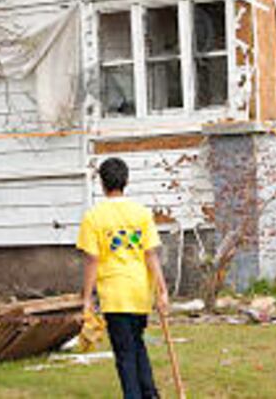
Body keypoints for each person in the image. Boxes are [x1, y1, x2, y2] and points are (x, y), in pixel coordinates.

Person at [76, 157, 169, 399]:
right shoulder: (141, 214)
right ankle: (150, 394)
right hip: (140, 292)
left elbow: (92, 260)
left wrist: (86, 298)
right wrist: (162, 290)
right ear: (126, 181)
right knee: (136, 344)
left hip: (115, 295)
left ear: (102, 183)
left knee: (125, 353)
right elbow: (151, 255)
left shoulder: (94, 217)